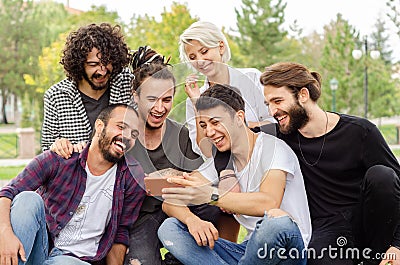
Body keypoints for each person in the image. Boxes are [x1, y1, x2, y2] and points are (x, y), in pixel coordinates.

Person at [261, 62, 400, 265]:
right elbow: (235, 135)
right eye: (268, 104)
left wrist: (397, 246)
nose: (273, 111)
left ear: (303, 95)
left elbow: (396, 189)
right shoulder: (280, 134)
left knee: (382, 175)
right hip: (327, 229)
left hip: (371, 225)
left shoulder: (361, 132)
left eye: (277, 101)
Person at [158, 84, 312, 264]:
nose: (209, 132)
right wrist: (192, 220)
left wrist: (211, 195)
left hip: (287, 249)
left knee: (276, 223)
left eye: (215, 122)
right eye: (203, 125)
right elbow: (170, 201)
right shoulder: (220, 161)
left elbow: (269, 202)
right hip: (248, 252)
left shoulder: (273, 149)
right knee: (170, 228)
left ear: (239, 117)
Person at [0, 104, 146, 264]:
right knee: (27, 199)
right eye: (121, 127)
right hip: (39, 250)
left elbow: (120, 233)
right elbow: (7, 193)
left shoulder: (132, 176)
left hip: (75, 260)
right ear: (99, 126)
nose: (127, 137)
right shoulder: (60, 159)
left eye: (133, 134)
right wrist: (5, 234)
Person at [124, 46, 222, 265]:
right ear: (136, 97)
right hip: (141, 218)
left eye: (166, 100)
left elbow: (199, 181)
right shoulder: (123, 137)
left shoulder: (181, 134)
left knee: (211, 204)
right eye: (152, 99)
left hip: (178, 211)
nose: (159, 108)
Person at [179, 21, 274, 157]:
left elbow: (274, 124)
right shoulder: (193, 99)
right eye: (192, 57)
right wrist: (197, 104)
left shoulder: (252, 78)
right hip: (224, 170)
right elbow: (206, 152)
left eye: (204, 51)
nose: (200, 61)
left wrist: (238, 126)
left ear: (221, 47)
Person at [41, 23, 133, 155]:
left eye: (107, 63)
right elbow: (46, 148)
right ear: (79, 64)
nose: (102, 71)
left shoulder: (127, 84)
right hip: (77, 173)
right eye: (93, 64)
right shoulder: (55, 96)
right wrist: (59, 146)